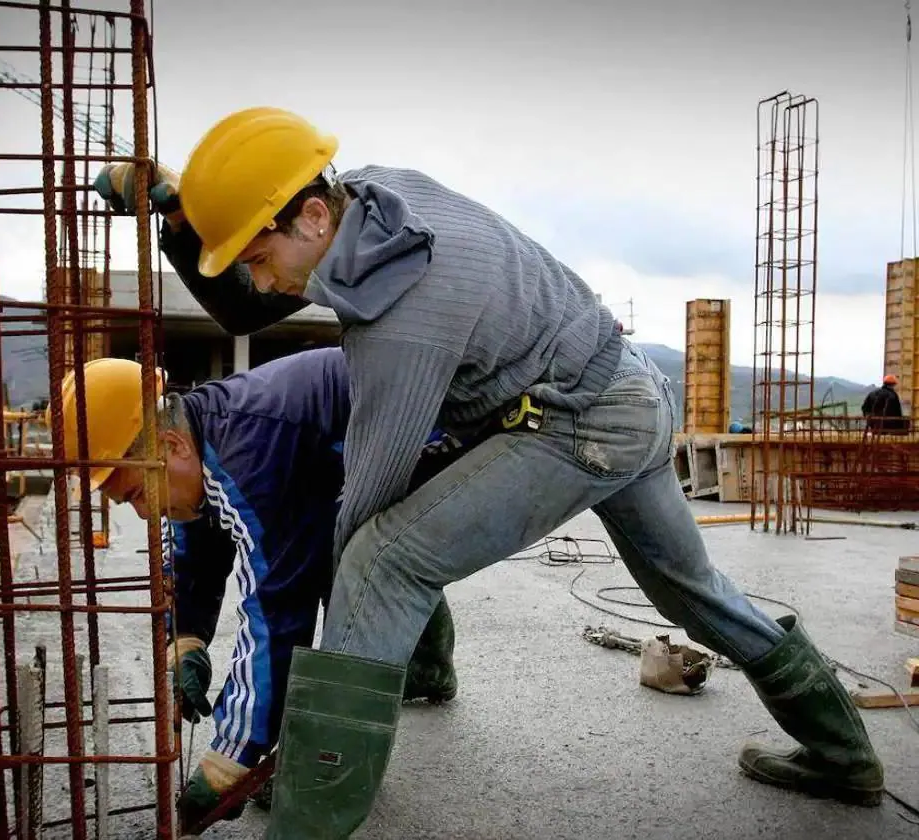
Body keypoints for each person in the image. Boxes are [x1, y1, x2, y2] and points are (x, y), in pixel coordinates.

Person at [143, 106, 885, 838]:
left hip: (580, 426)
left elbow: (368, 502)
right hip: (623, 392)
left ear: (309, 218)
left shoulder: (405, 320)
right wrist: (181, 215)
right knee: (696, 594)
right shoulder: (371, 199)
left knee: (376, 561)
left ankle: (309, 821)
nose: (260, 280)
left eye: (258, 258)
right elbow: (246, 312)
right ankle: (840, 753)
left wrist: (287, 700)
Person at [53, 348, 461, 829]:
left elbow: (276, 611)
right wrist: (185, 641)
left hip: (447, 435)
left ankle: (340, 757)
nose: (143, 513)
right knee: (336, 545)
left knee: (356, 565)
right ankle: (428, 668)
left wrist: (229, 760)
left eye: (138, 495)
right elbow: (195, 541)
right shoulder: (199, 436)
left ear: (170, 445)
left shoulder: (252, 452)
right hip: (369, 439)